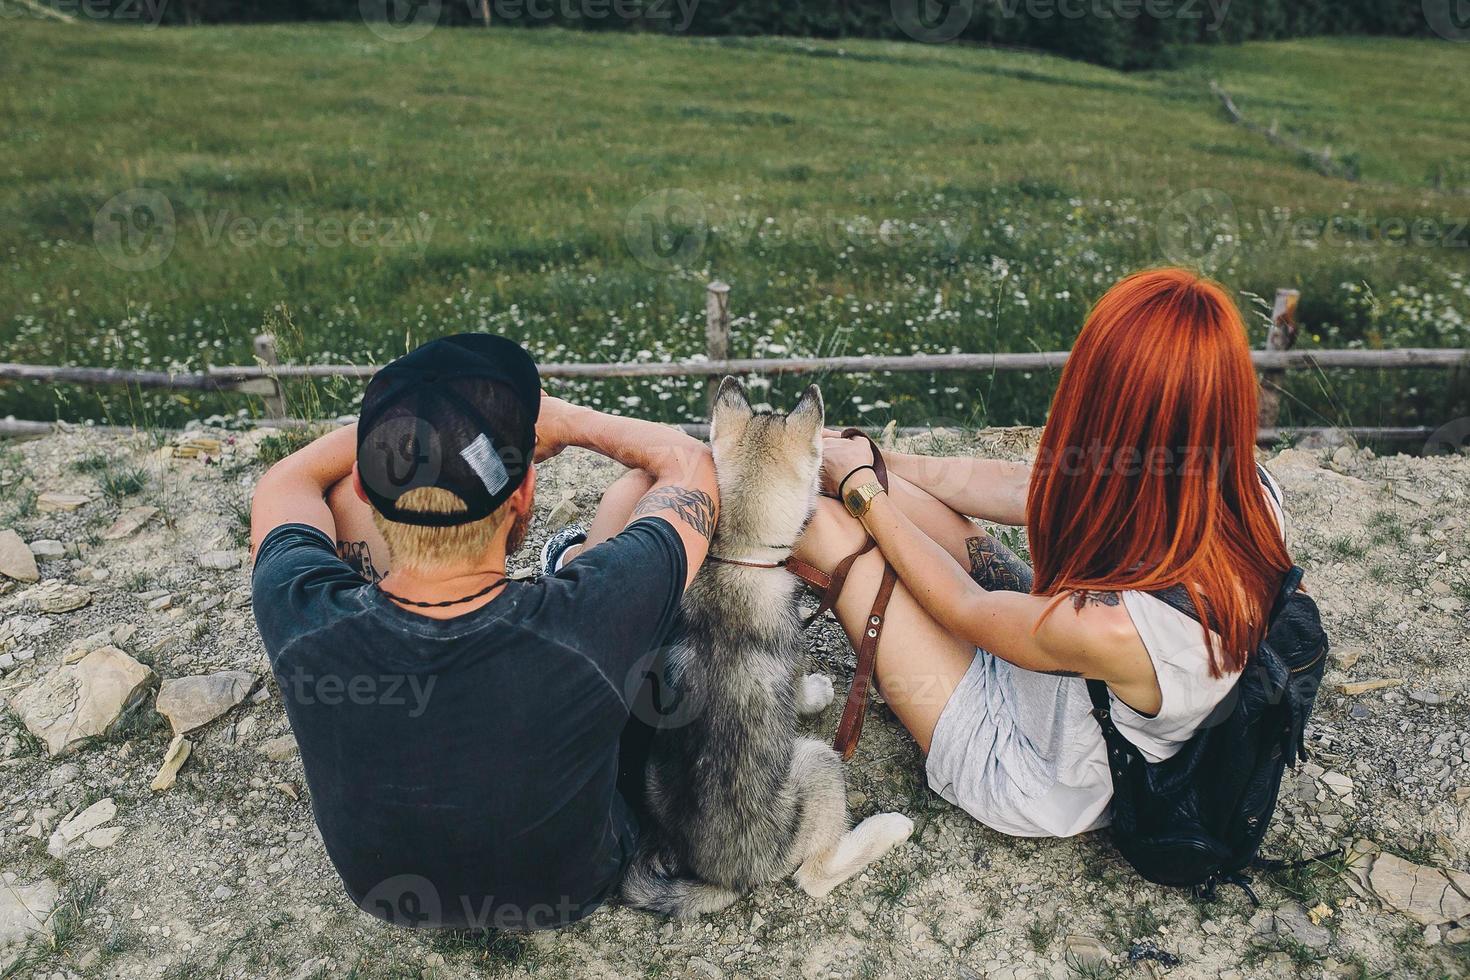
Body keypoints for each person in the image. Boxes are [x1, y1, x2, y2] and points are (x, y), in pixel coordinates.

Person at [793, 268, 1292, 837]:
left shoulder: (1120, 629)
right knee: (883, 497)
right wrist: (879, 464)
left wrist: (862, 490)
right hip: (1064, 679)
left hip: (1031, 760)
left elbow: (965, 608)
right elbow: (1027, 489)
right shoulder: (1247, 493)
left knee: (825, 524)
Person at [248, 333, 717, 930]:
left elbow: (286, 480)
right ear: (522, 493)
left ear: (373, 485)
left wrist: (405, 429)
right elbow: (688, 465)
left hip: (381, 889)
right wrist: (567, 420)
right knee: (633, 494)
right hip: (572, 885)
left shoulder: (298, 611)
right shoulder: (591, 616)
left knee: (327, 494)